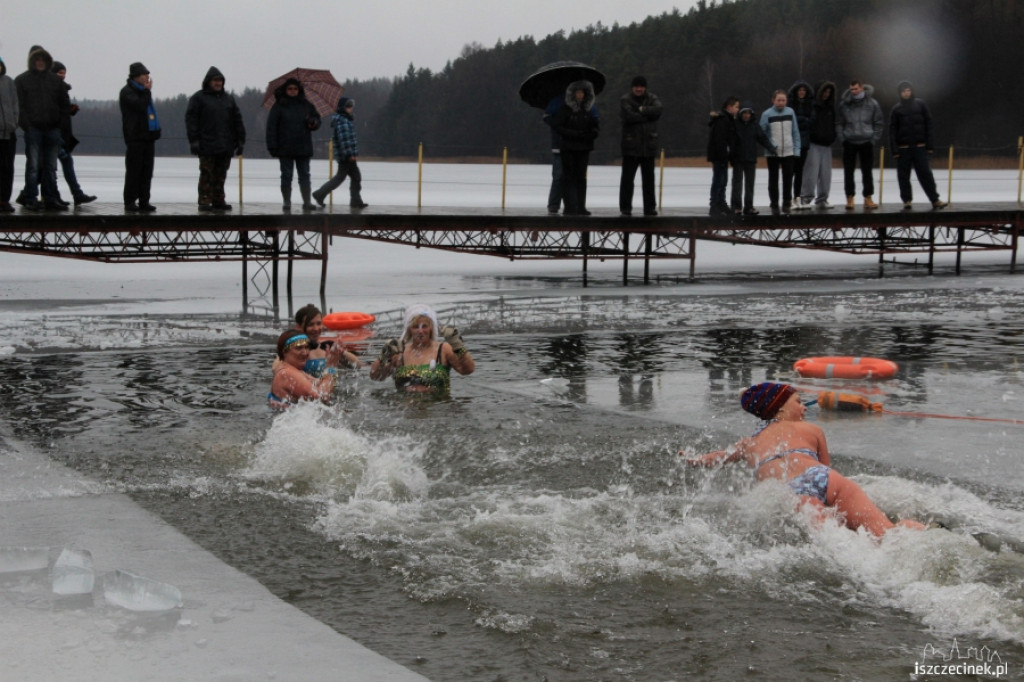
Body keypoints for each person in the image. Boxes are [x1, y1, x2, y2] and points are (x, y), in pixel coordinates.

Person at [685, 382, 927, 537]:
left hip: (793, 491)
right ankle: (927, 534)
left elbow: (719, 458)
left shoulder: (749, 444)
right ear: (779, 408)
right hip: (825, 479)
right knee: (885, 533)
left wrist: (694, 460)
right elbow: (826, 467)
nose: (805, 408)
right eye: (799, 402)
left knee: (838, 540)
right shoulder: (812, 430)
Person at [370, 304, 475, 395]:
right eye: (416, 327)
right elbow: (375, 376)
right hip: (405, 408)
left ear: (431, 328)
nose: (420, 331)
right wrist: (383, 356)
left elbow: (467, 370)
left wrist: (458, 346)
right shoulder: (399, 352)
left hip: (439, 407)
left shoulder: (443, 349)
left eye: (424, 326)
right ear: (409, 330)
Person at [14, 45, 68, 211]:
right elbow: (19, 106)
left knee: (50, 167)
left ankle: (50, 198)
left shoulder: (55, 81)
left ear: (47, 61)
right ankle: (31, 199)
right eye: (37, 59)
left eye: (43, 59)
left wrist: (59, 125)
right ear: (32, 61)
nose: (40, 62)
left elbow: (64, 105)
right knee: (33, 166)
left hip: (52, 129)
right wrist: (27, 126)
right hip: (33, 130)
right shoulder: (21, 80)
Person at [185, 66, 245, 211]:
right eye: (215, 80)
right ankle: (204, 201)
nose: (218, 83)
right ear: (208, 81)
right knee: (207, 173)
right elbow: (191, 121)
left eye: (220, 80)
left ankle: (219, 200)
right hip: (206, 144)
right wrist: (194, 140)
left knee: (221, 174)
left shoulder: (228, 99)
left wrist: (240, 140)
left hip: (225, 144)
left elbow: (237, 120)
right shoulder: (198, 98)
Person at [889, 81, 948, 211]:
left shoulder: (921, 105)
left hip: (920, 147)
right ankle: (907, 201)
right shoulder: (896, 109)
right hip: (903, 148)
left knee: (926, 174)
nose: (906, 93)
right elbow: (892, 131)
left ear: (912, 91)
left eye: (908, 90)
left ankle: (935, 200)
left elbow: (929, 125)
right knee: (903, 176)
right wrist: (895, 150)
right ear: (900, 93)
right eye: (904, 91)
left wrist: (930, 145)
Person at [265, 77, 321, 212]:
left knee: (305, 175)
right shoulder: (278, 106)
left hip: (303, 146)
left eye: (295, 88)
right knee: (286, 175)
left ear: (299, 90)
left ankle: (307, 202)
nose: (292, 91)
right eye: (290, 88)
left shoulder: (307, 105)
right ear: (285, 90)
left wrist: (313, 123)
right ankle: (287, 201)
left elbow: (317, 119)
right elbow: (271, 127)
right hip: (284, 147)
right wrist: (272, 146)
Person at [550, 80, 599, 216]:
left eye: (582, 92)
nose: (580, 95)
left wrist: (590, 134)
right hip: (568, 148)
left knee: (581, 178)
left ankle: (581, 206)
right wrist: (573, 134)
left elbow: (595, 127)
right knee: (569, 177)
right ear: (572, 94)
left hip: (584, 148)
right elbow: (557, 126)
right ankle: (570, 206)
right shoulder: (565, 109)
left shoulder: (589, 110)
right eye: (578, 92)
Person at [51, 61, 96, 207]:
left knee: (52, 166)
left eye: (64, 73)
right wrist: (66, 110)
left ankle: (68, 195)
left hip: (62, 133)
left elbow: (61, 110)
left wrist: (70, 110)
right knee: (54, 165)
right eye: (59, 72)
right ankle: (72, 195)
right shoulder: (51, 89)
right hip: (54, 132)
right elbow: (53, 110)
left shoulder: (62, 89)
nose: (62, 75)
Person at [311, 96, 367, 209]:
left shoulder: (345, 120)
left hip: (346, 155)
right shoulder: (343, 121)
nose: (351, 108)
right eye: (348, 106)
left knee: (355, 177)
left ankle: (355, 201)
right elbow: (344, 139)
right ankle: (319, 194)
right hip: (346, 156)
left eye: (351, 105)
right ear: (342, 108)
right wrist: (350, 154)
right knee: (340, 178)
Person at [119, 62, 160, 212]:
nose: (147, 77)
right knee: (134, 171)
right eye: (144, 75)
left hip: (148, 137)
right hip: (135, 137)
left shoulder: (143, 92)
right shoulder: (127, 92)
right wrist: (147, 91)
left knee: (147, 171)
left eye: (148, 75)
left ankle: (144, 201)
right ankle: (130, 201)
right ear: (135, 76)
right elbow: (140, 106)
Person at [618, 75, 662, 217]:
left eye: (641, 86)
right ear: (632, 88)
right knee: (627, 180)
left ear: (645, 88)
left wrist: (641, 110)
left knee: (649, 181)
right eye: (636, 86)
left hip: (648, 147)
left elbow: (659, 109)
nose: (639, 89)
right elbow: (629, 116)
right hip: (631, 147)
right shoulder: (625, 99)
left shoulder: (652, 98)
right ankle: (625, 208)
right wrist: (648, 115)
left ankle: (650, 208)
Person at [836, 80, 883, 210]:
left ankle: (868, 197)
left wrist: (873, 139)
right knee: (848, 172)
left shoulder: (872, 103)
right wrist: (843, 139)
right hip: (849, 142)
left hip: (866, 142)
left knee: (867, 172)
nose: (854, 92)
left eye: (856, 89)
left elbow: (879, 123)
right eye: (851, 89)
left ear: (862, 88)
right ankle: (850, 197)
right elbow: (839, 123)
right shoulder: (844, 104)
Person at [268, 330, 336, 410]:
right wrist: (330, 367)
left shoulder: (294, 370)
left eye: (307, 347)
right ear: (284, 351)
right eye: (299, 348)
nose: (305, 352)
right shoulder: (286, 373)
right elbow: (322, 397)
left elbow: (320, 384)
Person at [289, 303, 363, 375]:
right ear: (298, 327)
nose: (316, 328)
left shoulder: (327, 347)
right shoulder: (293, 351)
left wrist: (341, 352)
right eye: (310, 325)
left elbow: (358, 365)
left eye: (319, 324)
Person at [797, 80, 837, 210]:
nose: (826, 94)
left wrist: (832, 136)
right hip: (813, 143)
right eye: (824, 91)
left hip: (827, 144)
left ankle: (822, 199)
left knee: (826, 175)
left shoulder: (830, 107)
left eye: (829, 92)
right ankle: (805, 198)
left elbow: (834, 124)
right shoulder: (812, 106)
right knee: (811, 173)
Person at [730, 102, 775, 215]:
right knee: (737, 184)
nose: (746, 115)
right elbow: (730, 141)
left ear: (751, 114)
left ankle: (748, 206)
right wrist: (730, 155)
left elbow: (762, 138)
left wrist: (771, 148)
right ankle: (736, 206)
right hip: (738, 159)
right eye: (744, 113)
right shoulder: (735, 125)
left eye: (748, 113)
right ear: (740, 114)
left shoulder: (754, 125)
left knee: (750, 184)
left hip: (750, 158)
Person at [759, 90, 800, 215]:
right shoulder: (767, 114)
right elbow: (762, 133)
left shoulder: (790, 112)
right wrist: (771, 145)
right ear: (773, 100)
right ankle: (774, 203)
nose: (781, 103)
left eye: (783, 100)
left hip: (788, 151)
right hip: (773, 152)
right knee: (773, 178)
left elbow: (795, 132)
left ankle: (787, 202)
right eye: (778, 100)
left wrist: (796, 149)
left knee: (788, 178)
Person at [707, 96, 739, 216]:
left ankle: (721, 203)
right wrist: (724, 154)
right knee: (719, 180)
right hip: (719, 155)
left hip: (722, 155)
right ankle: (715, 204)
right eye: (736, 107)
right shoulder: (723, 120)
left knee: (723, 180)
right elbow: (720, 140)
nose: (738, 109)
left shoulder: (728, 119)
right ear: (729, 107)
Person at [788, 80, 814, 209]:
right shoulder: (790, 104)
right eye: (800, 90)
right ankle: (788, 198)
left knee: (799, 172)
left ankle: (797, 197)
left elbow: (812, 121)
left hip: (804, 143)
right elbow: (791, 121)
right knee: (790, 172)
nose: (802, 92)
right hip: (791, 142)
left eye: (804, 90)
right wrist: (804, 119)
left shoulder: (810, 104)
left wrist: (801, 120)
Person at [0, 56, 17, 213]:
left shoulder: (9, 82)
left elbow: (15, 104)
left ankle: (4, 200)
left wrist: (14, 123)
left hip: (9, 133)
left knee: (8, 168)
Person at [543, 94, 564, 214]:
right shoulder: (556, 101)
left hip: (574, 145)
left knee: (572, 178)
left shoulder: (580, 102)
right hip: (558, 145)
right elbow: (547, 117)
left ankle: (572, 205)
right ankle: (554, 204)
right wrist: (559, 124)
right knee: (558, 176)